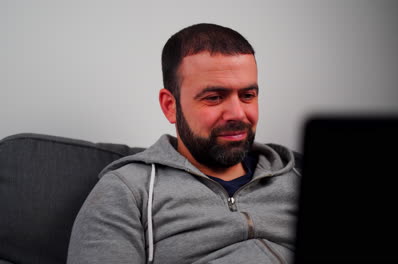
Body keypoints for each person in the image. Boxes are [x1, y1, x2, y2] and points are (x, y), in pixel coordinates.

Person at [67, 23, 299, 264]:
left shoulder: (295, 179)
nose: (237, 114)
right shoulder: (127, 192)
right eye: (214, 97)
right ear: (171, 106)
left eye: (248, 96)